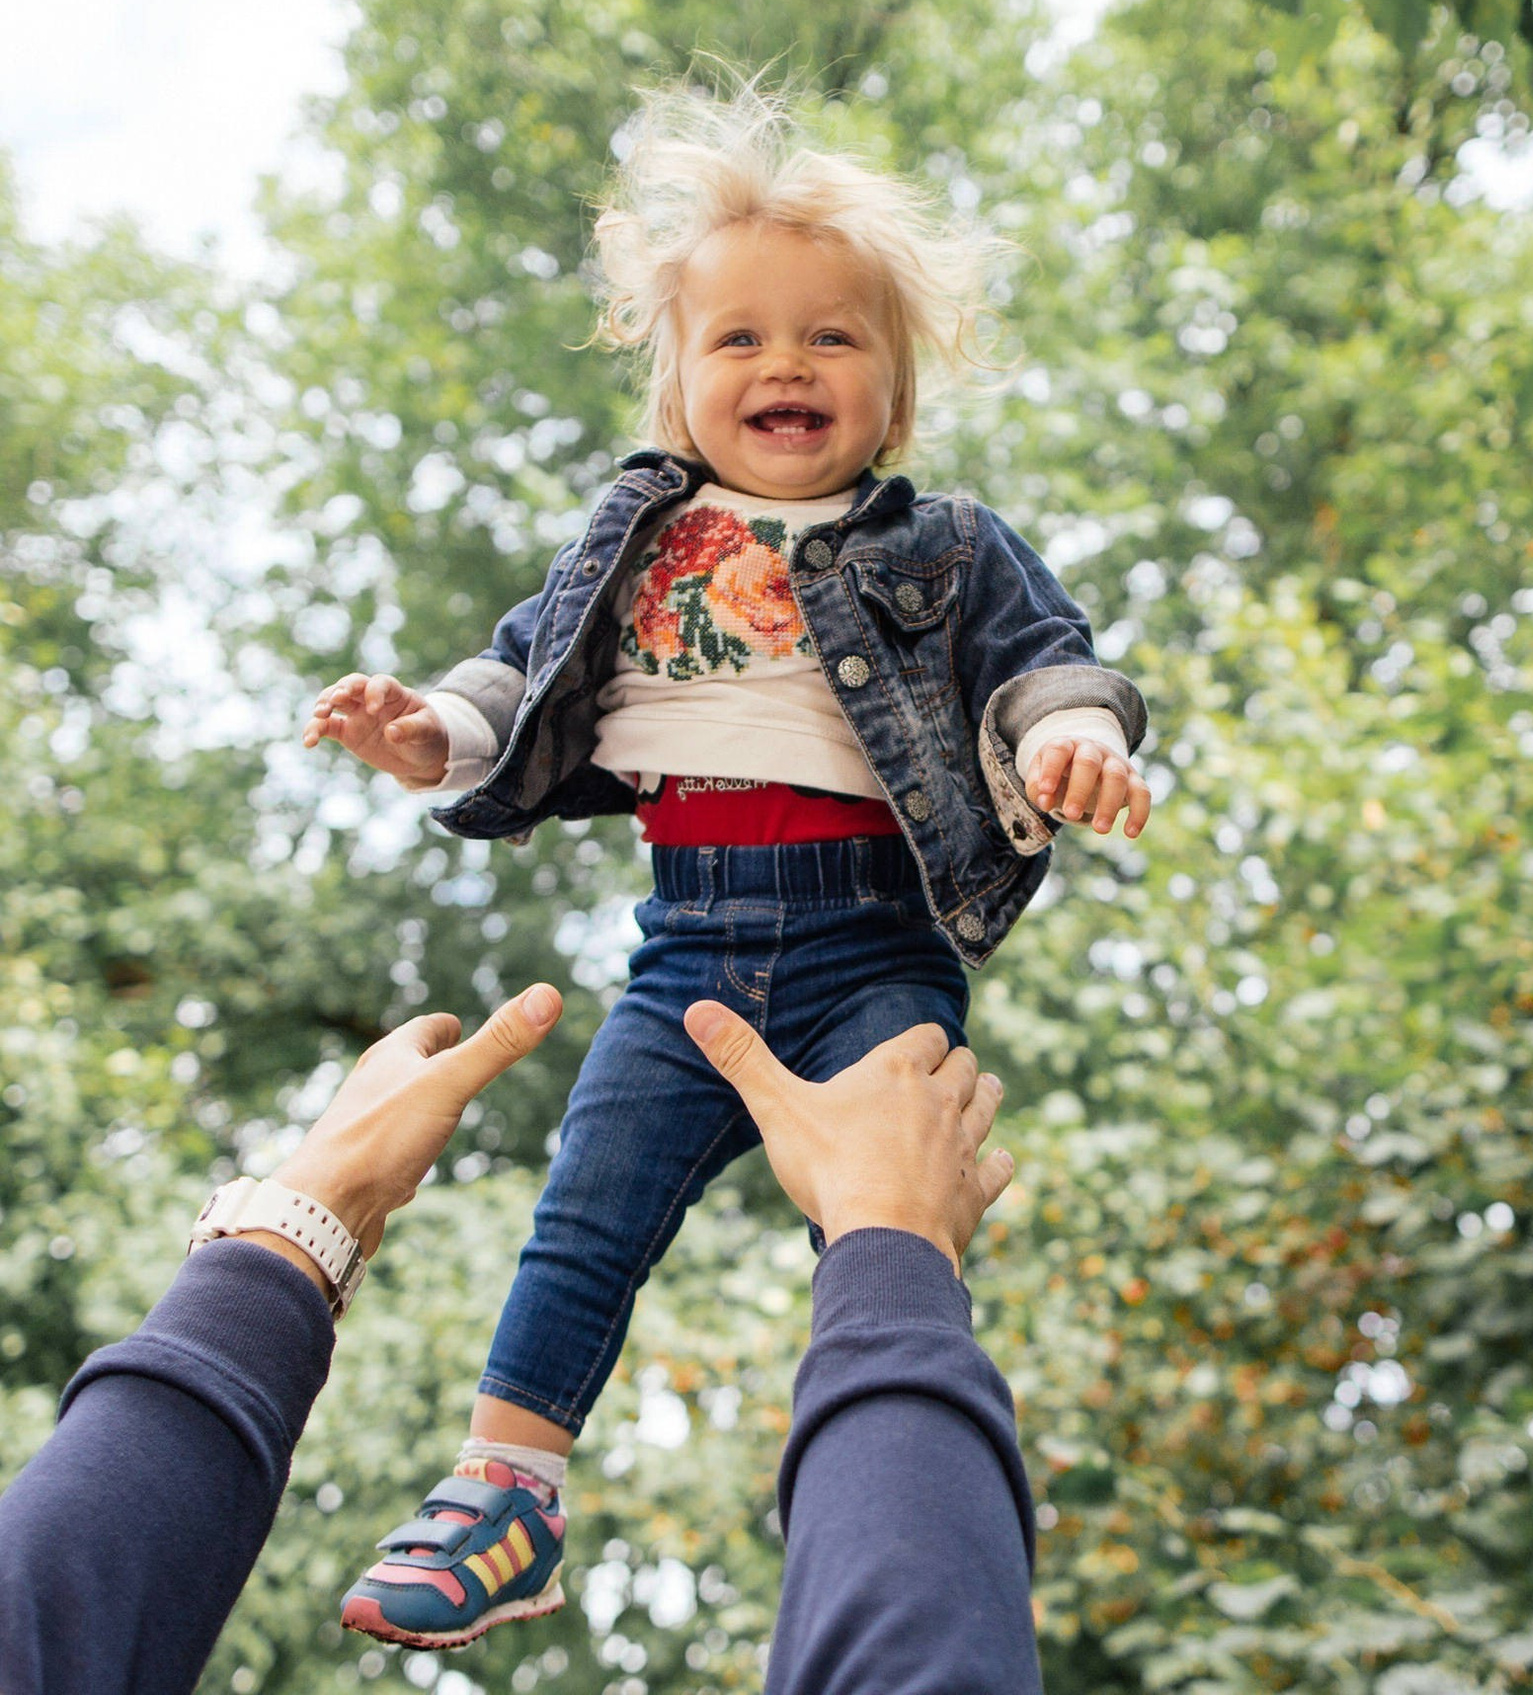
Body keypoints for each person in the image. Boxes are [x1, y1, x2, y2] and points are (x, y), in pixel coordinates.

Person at [298, 82, 1149, 1647]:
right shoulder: (634, 536)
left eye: (832, 337)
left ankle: (913, 1508)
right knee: (588, 1205)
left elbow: (1049, 663)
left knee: (886, 1222)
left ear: (894, 388)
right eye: (741, 337)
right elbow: (517, 675)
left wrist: (1071, 740)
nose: (786, 364)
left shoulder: (947, 543)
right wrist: (428, 732)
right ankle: (505, 1492)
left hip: (878, 940)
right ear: (679, 381)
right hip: (686, 947)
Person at [0, 987, 1040, 1695]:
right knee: (593, 1208)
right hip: (708, 943)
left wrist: (308, 1211)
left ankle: (505, 1479)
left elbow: (49, 1621)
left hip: (848, 939)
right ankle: (513, 1489)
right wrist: (895, 1249)